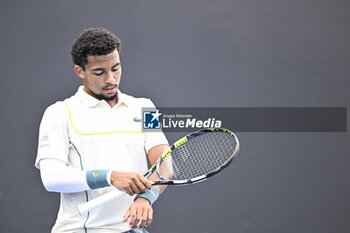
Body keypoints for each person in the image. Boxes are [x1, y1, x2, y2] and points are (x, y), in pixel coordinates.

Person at [35, 28, 169, 233]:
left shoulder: (146, 107)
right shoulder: (58, 112)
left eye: (116, 68)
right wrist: (110, 176)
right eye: (99, 72)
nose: (111, 80)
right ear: (80, 71)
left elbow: (165, 164)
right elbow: (52, 178)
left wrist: (145, 198)